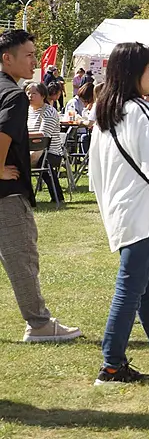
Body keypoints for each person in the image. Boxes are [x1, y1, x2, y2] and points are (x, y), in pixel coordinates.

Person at [88, 42, 149, 384]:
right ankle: (111, 363)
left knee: (144, 283)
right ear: (134, 72)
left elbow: (94, 173)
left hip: (117, 208)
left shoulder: (103, 112)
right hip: (141, 210)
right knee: (132, 286)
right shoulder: (144, 111)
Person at [0, 30, 81, 342]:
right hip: (6, 194)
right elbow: (4, 134)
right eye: (29, 55)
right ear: (8, 58)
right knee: (22, 258)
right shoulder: (12, 95)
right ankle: (39, 324)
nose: (35, 61)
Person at [26, 82, 65, 205]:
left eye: (33, 93)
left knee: (24, 162)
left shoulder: (49, 112)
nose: (29, 96)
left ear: (43, 95)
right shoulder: (27, 111)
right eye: (27, 93)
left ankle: (29, 198)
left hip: (51, 152)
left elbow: (44, 135)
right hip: (30, 149)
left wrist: (21, 136)